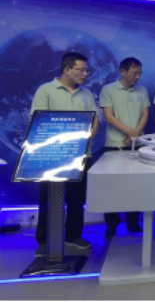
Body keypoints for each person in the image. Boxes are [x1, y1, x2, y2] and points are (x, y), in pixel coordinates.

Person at [31, 53, 100, 258]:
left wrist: (82, 143)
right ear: (67, 69)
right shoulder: (46, 90)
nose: (85, 74)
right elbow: (39, 120)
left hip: (81, 155)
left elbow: (94, 120)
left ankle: (73, 236)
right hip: (52, 155)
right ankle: (45, 241)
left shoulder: (86, 94)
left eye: (87, 70)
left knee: (77, 198)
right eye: (81, 70)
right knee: (49, 199)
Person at [100, 57, 150, 238]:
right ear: (123, 71)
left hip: (137, 146)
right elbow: (109, 117)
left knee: (136, 186)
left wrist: (135, 134)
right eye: (134, 73)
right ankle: (111, 224)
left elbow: (145, 114)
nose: (137, 77)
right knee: (111, 187)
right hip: (115, 146)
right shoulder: (108, 90)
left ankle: (133, 220)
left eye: (139, 73)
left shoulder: (142, 89)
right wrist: (131, 132)